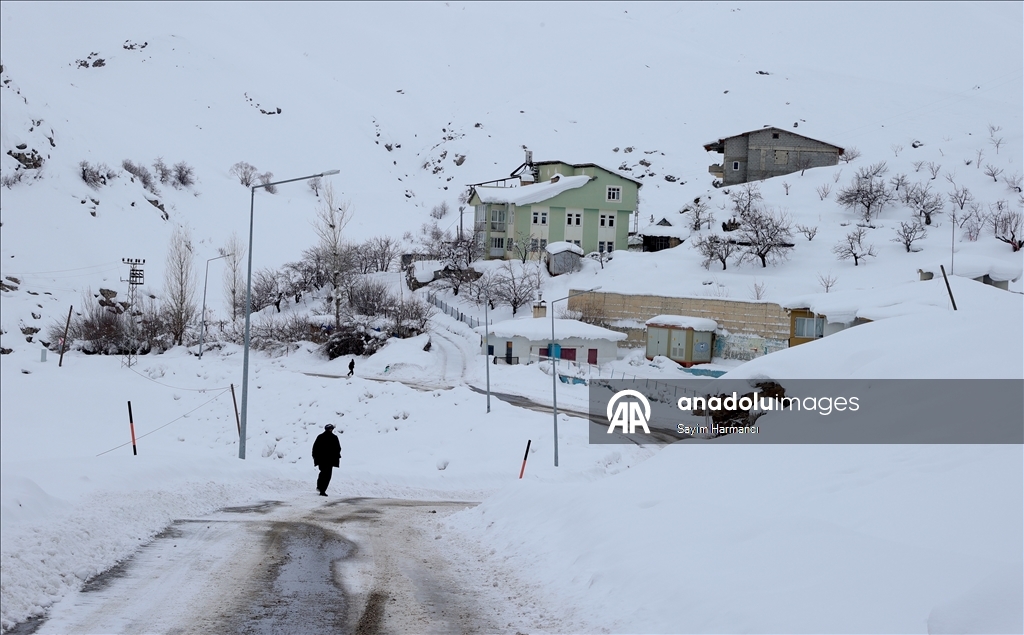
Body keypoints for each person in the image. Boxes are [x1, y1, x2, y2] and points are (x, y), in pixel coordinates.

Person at [311, 424, 342, 496]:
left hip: (324, 460)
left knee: (324, 474)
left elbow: (338, 449)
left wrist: (315, 457)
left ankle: (321, 488)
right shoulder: (332, 437)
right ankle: (322, 489)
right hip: (327, 460)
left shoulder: (322, 437)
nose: (331, 430)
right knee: (326, 475)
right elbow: (338, 449)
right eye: (330, 429)